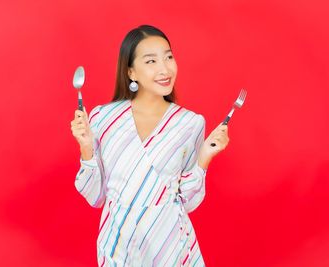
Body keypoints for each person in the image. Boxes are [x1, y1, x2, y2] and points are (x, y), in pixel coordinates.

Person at [70, 25, 229, 267]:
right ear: (131, 72)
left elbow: (187, 201)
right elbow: (96, 195)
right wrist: (85, 147)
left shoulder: (190, 123)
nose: (165, 69)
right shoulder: (103, 118)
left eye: (168, 57)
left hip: (170, 245)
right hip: (117, 243)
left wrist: (204, 157)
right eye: (151, 61)